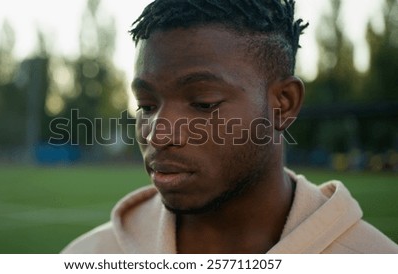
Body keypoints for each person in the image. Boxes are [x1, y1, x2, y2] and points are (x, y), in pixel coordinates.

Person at [62, 0, 398, 254]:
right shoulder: (89, 255)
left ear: (283, 104)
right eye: (147, 106)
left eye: (203, 103)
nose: (157, 134)